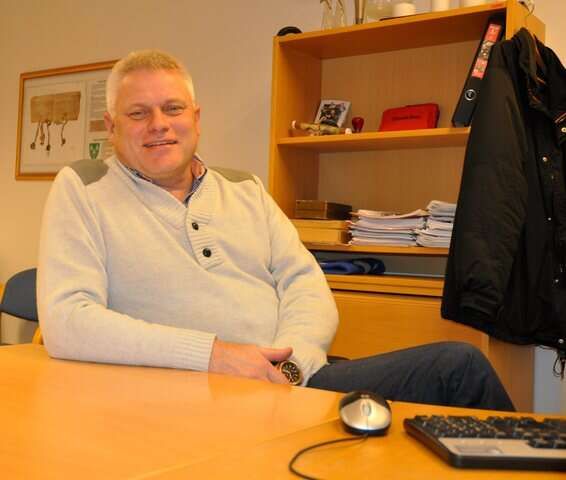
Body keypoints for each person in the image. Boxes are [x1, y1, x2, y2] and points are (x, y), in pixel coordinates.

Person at [37, 49, 514, 411]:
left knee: (459, 366)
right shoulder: (84, 188)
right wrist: (216, 356)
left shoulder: (244, 189)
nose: (159, 125)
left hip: (288, 386)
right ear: (112, 126)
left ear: (196, 119)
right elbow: (67, 320)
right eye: (138, 113)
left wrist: (290, 368)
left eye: (173, 108)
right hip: (179, 397)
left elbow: (305, 284)